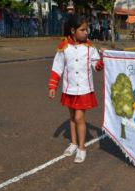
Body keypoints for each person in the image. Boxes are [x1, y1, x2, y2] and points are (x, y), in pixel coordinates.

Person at [48, 14, 104, 163]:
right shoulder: (64, 47)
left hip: (84, 89)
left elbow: (97, 66)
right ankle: (73, 143)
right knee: (72, 118)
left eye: (87, 30)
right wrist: (53, 86)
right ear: (73, 31)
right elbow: (57, 67)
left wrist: (101, 60)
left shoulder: (90, 48)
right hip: (69, 88)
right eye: (83, 30)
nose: (86, 32)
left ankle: (82, 148)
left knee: (79, 118)